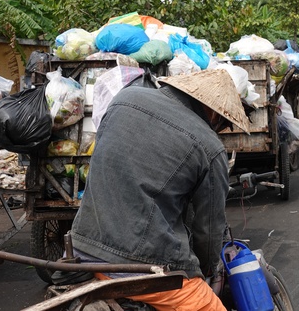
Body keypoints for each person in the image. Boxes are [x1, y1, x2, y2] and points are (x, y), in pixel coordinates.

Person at [70, 69, 251, 311]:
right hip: (141, 267)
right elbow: (208, 229)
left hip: (80, 248)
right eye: (224, 124)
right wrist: (205, 268)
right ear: (214, 113)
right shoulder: (210, 147)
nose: (220, 129)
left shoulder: (125, 99)